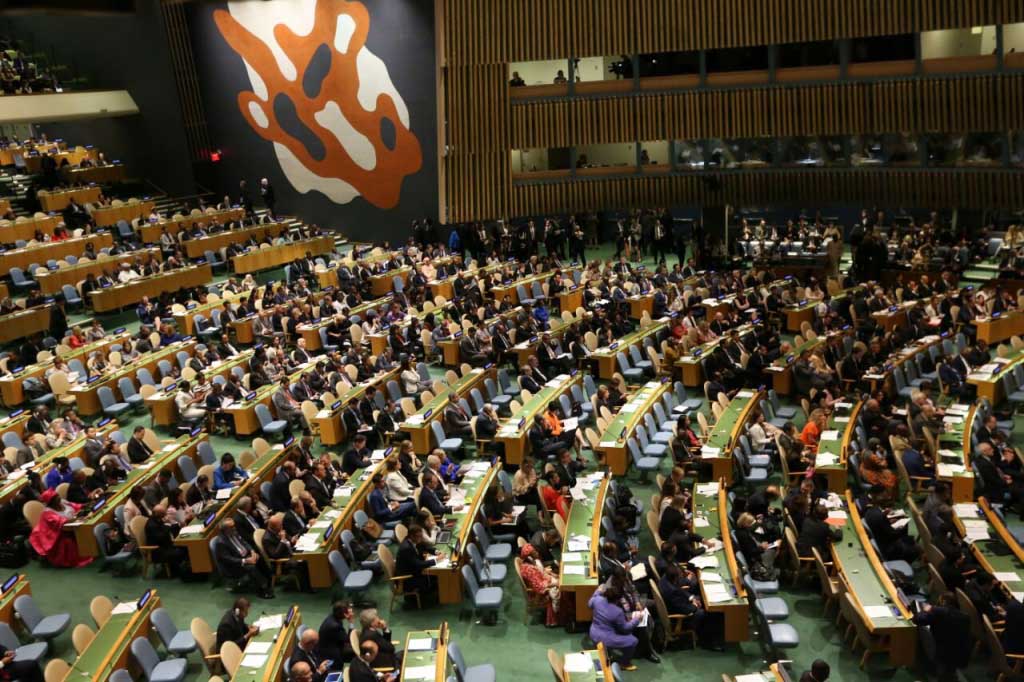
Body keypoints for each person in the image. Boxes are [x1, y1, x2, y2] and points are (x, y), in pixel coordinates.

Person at [28, 489, 93, 568]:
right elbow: (62, 522)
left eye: (57, 495)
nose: (59, 498)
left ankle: (91, 549)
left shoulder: (62, 502)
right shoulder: (48, 513)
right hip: (57, 534)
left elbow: (75, 505)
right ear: (51, 502)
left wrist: (86, 505)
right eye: (56, 497)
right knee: (69, 541)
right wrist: (77, 518)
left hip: (72, 525)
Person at [214, 518, 274, 599]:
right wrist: (245, 560)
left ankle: (269, 579)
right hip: (234, 565)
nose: (234, 528)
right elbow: (227, 559)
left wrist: (252, 551)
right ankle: (262, 589)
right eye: (232, 527)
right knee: (251, 567)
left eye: (234, 525)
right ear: (225, 530)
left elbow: (245, 543)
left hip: (244, 556)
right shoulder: (221, 542)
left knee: (258, 556)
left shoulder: (234, 533)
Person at [588, 583, 642, 671]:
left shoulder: (597, 600)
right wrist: (636, 619)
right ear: (617, 600)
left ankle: (606, 650)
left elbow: (590, 603)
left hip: (593, 632)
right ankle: (625, 663)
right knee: (633, 640)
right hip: (605, 639)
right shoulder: (618, 611)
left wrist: (598, 591)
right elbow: (625, 628)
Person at [519, 543, 567, 627]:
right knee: (564, 587)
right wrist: (555, 583)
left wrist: (548, 573)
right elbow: (539, 586)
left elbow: (540, 573)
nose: (537, 553)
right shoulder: (529, 570)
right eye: (534, 552)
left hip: (545, 581)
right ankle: (561, 618)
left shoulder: (532, 562)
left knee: (561, 579)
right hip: (539, 593)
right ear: (529, 556)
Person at [395, 525, 442, 605]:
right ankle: (437, 600)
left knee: (436, 575)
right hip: (408, 578)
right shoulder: (406, 548)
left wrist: (436, 552)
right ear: (411, 536)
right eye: (419, 536)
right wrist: (436, 560)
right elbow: (418, 564)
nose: (421, 538)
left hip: (414, 571)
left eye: (421, 536)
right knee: (437, 577)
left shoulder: (413, 540)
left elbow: (424, 547)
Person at [317, 601, 356, 667]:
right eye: (348, 610)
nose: (351, 611)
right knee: (357, 652)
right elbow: (349, 640)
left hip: (330, 645)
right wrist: (351, 622)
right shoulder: (335, 626)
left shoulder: (333, 616)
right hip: (331, 654)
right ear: (344, 614)